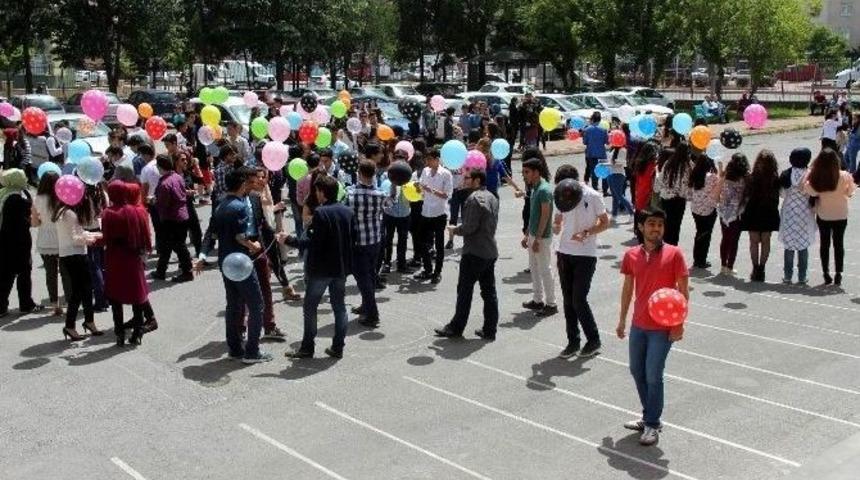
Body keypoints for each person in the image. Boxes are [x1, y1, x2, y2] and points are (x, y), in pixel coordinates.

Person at [617, 208, 688, 446]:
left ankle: (652, 423)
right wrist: (622, 319)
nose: (656, 228)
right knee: (637, 371)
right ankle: (649, 415)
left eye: (660, 224)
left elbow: (683, 291)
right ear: (641, 227)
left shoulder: (675, 254)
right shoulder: (631, 255)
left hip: (662, 328)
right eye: (651, 224)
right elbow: (628, 289)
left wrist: (679, 324)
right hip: (638, 324)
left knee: (653, 375)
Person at [193, 167, 273, 364]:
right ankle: (252, 352)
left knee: (234, 305)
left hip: (225, 261)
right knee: (256, 305)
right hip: (240, 262)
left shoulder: (221, 205)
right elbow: (240, 236)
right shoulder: (239, 207)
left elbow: (212, 233)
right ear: (242, 183)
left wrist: (202, 256)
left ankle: (235, 349)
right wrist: (252, 245)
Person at [285, 175, 355, 359]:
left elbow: (312, 242)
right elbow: (352, 238)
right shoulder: (348, 212)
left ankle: (307, 347)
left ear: (322, 192)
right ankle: (338, 347)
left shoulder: (321, 213)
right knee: (339, 307)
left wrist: (289, 240)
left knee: (310, 307)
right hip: (340, 268)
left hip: (321, 269)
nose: (316, 194)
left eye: (317, 191)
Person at [434, 169, 499, 340]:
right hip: (489, 250)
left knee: (464, 291)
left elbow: (469, 227)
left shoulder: (473, 199)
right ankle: (490, 329)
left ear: (476, 180)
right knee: (489, 292)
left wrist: (455, 230)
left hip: (474, 252)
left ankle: (456, 327)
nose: (464, 181)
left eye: (468, 178)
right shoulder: (492, 197)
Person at [554, 164, 610, 358]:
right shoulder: (561, 193)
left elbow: (605, 222)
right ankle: (573, 341)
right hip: (564, 252)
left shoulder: (593, 196)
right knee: (568, 300)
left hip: (586, 254)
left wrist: (586, 233)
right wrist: (556, 225)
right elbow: (558, 218)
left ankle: (593, 340)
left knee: (579, 299)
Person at [101, 180, 155, 347]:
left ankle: (119, 333)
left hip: (114, 258)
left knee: (116, 299)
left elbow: (106, 237)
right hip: (132, 257)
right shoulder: (134, 211)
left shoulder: (108, 213)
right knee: (136, 297)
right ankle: (137, 333)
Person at [54, 181, 103, 340]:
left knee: (86, 290)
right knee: (78, 292)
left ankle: (89, 321)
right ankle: (70, 326)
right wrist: (91, 239)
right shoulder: (69, 214)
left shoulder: (62, 211)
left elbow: (77, 233)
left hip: (70, 255)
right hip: (75, 255)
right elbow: (76, 238)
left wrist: (94, 235)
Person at [346, 159, 388, 328]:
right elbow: (390, 204)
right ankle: (366, 306)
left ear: (359, 173)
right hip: (375, 239)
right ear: (374, 174)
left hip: (358, 241)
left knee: (363, 279)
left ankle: (372, 314)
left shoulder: (351, 194)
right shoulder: (380, 194)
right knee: (369, 275)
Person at [804, 148, 856, 286]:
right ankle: (839, 273)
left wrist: (811, 171)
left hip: (824, 214)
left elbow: (809, 190)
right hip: (841, 214)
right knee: (839, 244)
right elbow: (850, 192)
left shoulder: (818, 177)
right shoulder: (844, 175)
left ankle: (826, 273)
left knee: (824, 244)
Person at [0, 169, 43, 317]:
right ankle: (26, 304)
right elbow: (29, 220)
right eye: (23, 178)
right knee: (23, 272)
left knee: (6, 273)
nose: (26, 180)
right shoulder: (17, 200)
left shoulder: (4, 194)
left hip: (4, 240)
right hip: (18, 242)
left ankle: (2, 306)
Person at [521, 158, 557, 317]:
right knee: (534, 268)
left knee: (544, 269)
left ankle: (551, 303)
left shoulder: (544, 190)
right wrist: (527, 235)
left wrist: (538, 239)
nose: (524, 175)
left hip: (542, 237)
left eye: (527, 172)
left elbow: (545, 215)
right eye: (524, 172)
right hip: (533, 235)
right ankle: (537, 300)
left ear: (536, 172)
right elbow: (533, 215)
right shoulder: (535, 188)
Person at [32, 171, 71, 316]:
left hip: (45, 240)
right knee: (66, 273)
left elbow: (35, 223)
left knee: (50, 274)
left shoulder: (37, 199)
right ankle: (70, 302)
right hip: (63, 238)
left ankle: (55, 304)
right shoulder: (64, 197)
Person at [740, 150, 781, 282]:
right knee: (765, 241)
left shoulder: (751, 177)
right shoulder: (775, 178)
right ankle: (762, 269)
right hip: (769, 211)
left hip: (753, 211)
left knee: (753, 242)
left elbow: (745, 196)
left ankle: (755, 268)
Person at [152, 154, 194, 282]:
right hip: (182, 215)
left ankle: (187, 271)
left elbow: (163, 204)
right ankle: (161, 271)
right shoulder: (177, 177)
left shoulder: (165, 183)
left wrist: (154, 201)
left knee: (178, 246)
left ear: (160, 167)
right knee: (168, 245)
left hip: (171, 218)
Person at [778, 148, 816, 285]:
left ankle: (787, 276)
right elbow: (814, 193)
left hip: (789, 211)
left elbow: (782, 194)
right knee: (803, 245)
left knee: (789, 245)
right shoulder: (810, 174)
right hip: (805, 212)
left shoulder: (786, 174)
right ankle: (802, 276)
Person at [415, 149, 453, 284]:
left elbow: (447, 195)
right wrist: (418, 187)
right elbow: (421, 190)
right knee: (421, 241)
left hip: (439, 213)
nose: (428, 162)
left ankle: (437, 272)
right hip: (426, 212)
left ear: (437, 159)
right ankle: (427, 269)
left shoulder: (446, 174)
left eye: (430, 159)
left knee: (439, 244)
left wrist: (430, 190)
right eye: (427, 159)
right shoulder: (425, 171)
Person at [716, 153, 750, 276]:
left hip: (724, 212)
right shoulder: (746, 178)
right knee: (734, 240)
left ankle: (723, 266)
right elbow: (748, 195)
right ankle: (730, 267)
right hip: (737, 212)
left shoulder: (726, 175)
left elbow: (718, 191)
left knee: (725, 238)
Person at [688, 153, 719, 268]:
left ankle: (697, 259)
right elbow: (718, 190)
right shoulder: (712, 177)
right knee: (706, 235)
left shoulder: (694, 174)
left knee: (699, 232)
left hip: (695, 209)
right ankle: (702, 260)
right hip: (708, 210)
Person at [582, 112, 609, 192]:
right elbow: (607, 142)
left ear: (592, 119)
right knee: (604, 171)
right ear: (600, 120)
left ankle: (595, 188)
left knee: (594, 171)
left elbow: (584, 142)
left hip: (591, 153)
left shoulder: (587, 130)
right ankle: (605, 189)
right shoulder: (603, 130)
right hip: (601, 153)